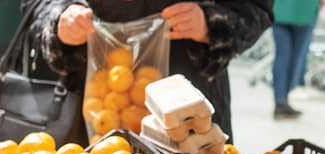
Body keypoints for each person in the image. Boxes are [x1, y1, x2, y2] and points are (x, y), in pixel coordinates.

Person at [25, 0, 273, 141]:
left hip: (191, 117)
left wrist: (213, 22)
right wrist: (59, 19)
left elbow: (256, 6)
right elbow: (39, 4)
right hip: (93, 110)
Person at [271, 0, 322, 120]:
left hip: (280, 10)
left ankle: (280, 101)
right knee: (296, 57)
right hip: (305, 10)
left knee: (281, 56)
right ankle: (284, 99)